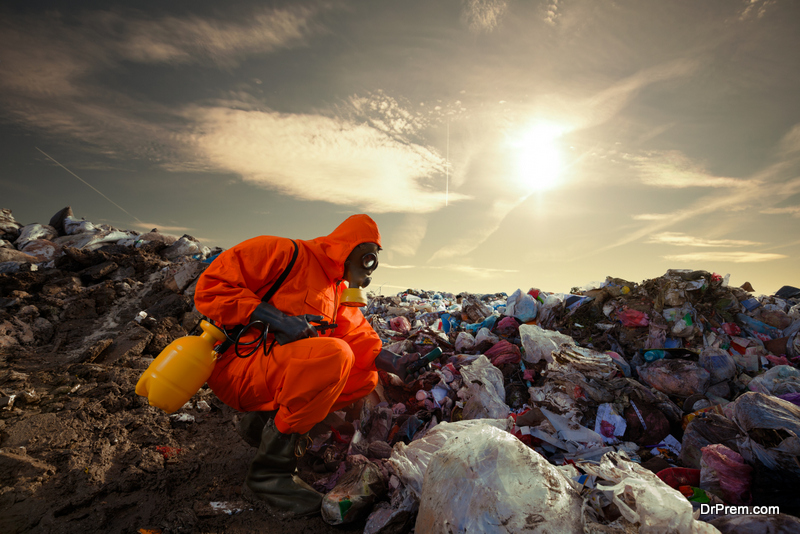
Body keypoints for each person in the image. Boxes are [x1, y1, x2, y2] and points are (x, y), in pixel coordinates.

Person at [193, 214, 421, 517]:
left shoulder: (335, 289)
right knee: (335, 357)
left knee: (363, 377)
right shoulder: (284, 253)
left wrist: (395, 362)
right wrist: (278, 320)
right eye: (369, 262)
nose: (367, 277)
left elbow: (355, 334)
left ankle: (263, 425)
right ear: (355, 254)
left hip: (274, 372)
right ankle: (269, 476)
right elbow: (211, 287)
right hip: (239, 366)